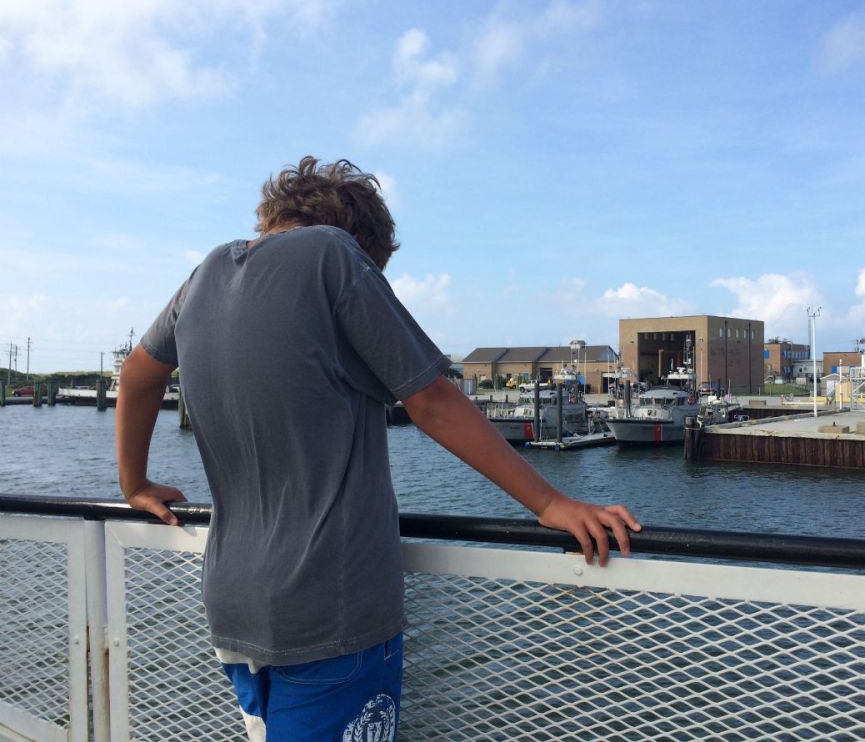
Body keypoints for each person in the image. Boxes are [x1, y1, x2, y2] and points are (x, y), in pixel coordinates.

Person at [115, 156, 640, 742]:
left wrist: (132, 484)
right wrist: (548, 503)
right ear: (361, 239)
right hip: (331, 613)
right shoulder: (334, 254)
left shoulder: (204, 275)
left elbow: (137, 375)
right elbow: (431, 402)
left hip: (233, 609)